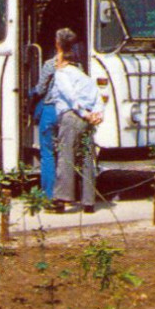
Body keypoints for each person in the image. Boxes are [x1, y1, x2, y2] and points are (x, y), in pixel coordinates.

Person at [51, 42, 103, 212]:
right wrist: (96, 114)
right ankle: (89, 201)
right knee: (87, 158)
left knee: (66, 156)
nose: (55, 61)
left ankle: (61, 199)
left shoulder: (61, 74)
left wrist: (83, 113)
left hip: (72, 117)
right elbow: (97, 97)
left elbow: (70, 96)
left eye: (57, 57)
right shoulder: (83, 76)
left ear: (63, 60)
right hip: (87, 119)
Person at [32, 28, 78, 199]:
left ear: (57, 43)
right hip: (68, 112)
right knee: (64, 153)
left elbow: (41, 88)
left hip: (51, 111)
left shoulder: (50, 64)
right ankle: (65, 193)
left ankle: (49, 195)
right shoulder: (77, 65)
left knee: (48, 153)